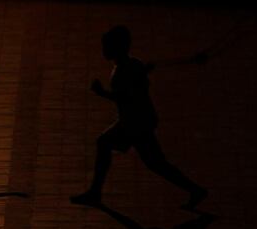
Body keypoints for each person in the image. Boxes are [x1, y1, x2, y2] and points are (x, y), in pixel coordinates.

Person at [71, 26, 207, 210]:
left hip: (135, 123)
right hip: (137, 121)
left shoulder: (125, 70)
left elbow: (126, 97)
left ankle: (95, 193)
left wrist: (102, 92)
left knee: (148, 160)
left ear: (116, 48)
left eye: (107, 46)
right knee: (154, 163)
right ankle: (195, 190)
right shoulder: (133, 65)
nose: (103, 49)